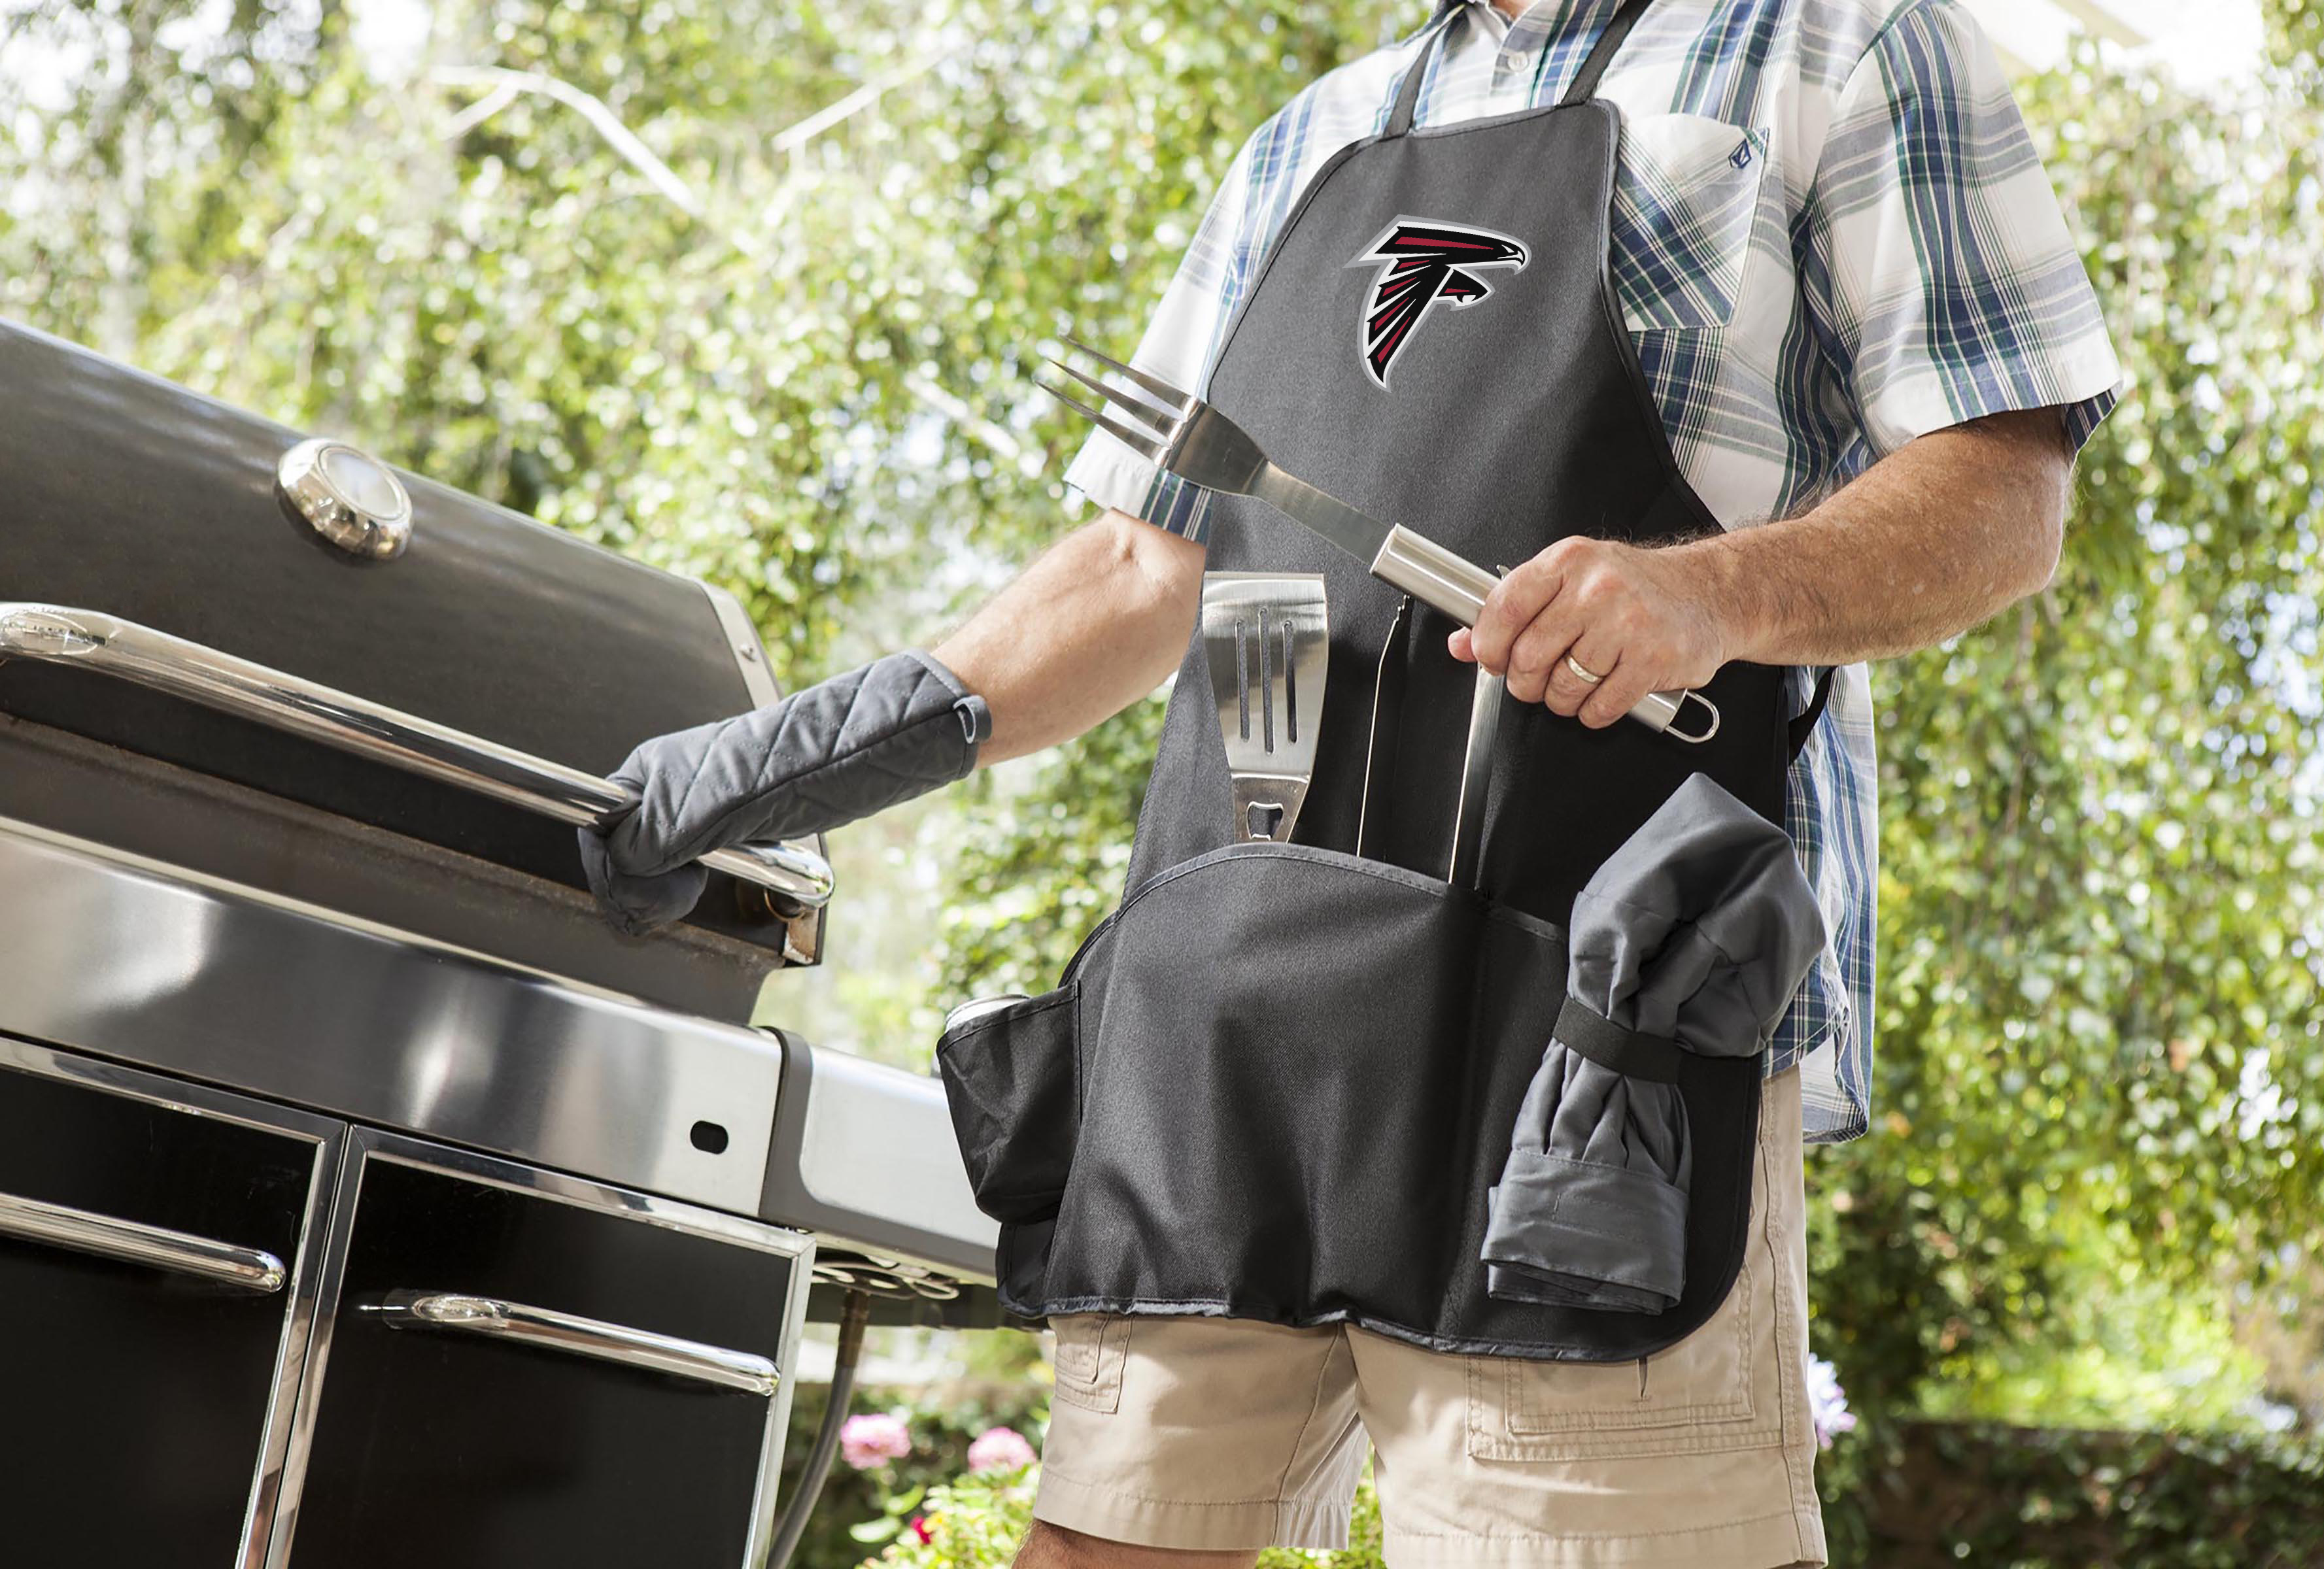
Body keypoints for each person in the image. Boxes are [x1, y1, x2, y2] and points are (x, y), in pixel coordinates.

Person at [581, 2, 2122, 1564]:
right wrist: (795, 757)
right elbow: (1142, 563)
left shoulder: (1836, 49)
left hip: (1586, 1037)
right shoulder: (1320, 133)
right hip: (1223, 1027)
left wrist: (1710, 598)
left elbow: (2004, 490)